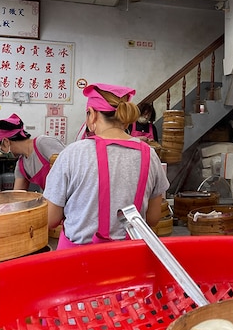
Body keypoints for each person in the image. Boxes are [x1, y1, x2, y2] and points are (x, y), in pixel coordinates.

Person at [43, 83, 170, 248]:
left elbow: (50, 219)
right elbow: (153, 218)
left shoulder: (72, 153)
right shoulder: (149, 155)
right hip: (129, 259)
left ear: (92, 115)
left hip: (76, 262)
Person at [0, 114, 65, 191]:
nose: (1, 150)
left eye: (0, 146)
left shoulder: (42, 143)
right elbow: (18, 195)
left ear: (6, 142)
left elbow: (69, 169)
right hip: (53, 199)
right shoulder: (21, 165)